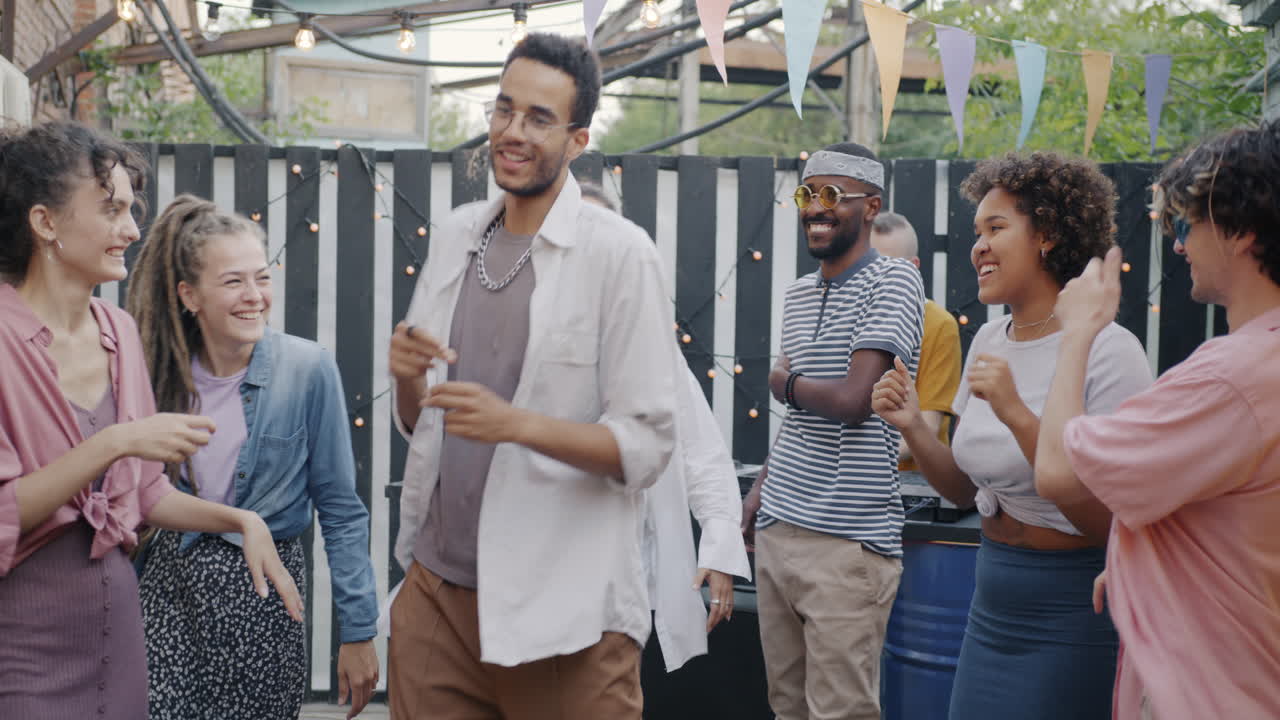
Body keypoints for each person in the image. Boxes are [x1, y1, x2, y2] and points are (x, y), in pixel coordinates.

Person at [385, 34, 676, 719]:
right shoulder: (457, 235)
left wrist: (518, 426)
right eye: (504, 110)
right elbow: (420, 419)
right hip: (437, 594)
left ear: (577, 140)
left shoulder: (621, 256)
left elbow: (647, 446)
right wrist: (406, 378)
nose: (513, 133)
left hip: (564, 611)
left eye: (539, 119)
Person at [0, 122, 301, 720]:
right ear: (45, 222)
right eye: (111, 210)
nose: (132, 230)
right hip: (24, 642)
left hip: (117, 629)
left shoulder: (120, 333)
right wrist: (114, 442)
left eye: (131, 211)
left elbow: (144, 491)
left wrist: (240, 520)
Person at [871, 151, 1153, 719]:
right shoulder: (989, 340)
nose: (978, 246)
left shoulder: (1108, 350)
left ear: (1047, 233)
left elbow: (1112, 522)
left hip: (1072, 607)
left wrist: (1016, 411)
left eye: (996, 228)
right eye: (978, 231)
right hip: (990, 596)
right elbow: (961, 491)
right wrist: (912, 427)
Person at [1035, 121, 1280, 719]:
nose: (1178, 245)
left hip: (1208, 691)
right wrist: (1139, 556)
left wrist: (1076, 335)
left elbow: (1060, 474)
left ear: (1242, 232)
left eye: (1185, 224)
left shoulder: (1230, 378)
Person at [124, 196, 379, 720]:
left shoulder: (308, 369)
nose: (254, 297)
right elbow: (135, 492)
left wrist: (358, 631)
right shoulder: (156, 371)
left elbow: (340, 508)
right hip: (169, 595)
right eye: (233, 281)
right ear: (189, 295)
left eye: (261, 278)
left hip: (266, 602)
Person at [740, 142, 924, 720]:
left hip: (847, 545)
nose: (814, 209)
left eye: (830, 196)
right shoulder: (797, 294)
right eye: (805, 195)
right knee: (785, 706)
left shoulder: (894, 281)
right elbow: (804, 419)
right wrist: (761, 486)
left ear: (871, 207)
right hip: (778, 527)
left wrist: (783, 385)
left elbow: (854, 401)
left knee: (839, 713)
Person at [579, 179, 751, 669]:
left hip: (638, 578)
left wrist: (719, 547)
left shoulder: (650, 338)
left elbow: (701, 450)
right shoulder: (527, 333)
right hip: (554, 580)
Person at [869, 212, 962, 474]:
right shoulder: (849, 318)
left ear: (914, 267)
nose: (879, 279)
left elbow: (926, 428)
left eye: (892, 269)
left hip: (917, 484)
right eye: (871, 267)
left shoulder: (938, 325)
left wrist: (848, 463)